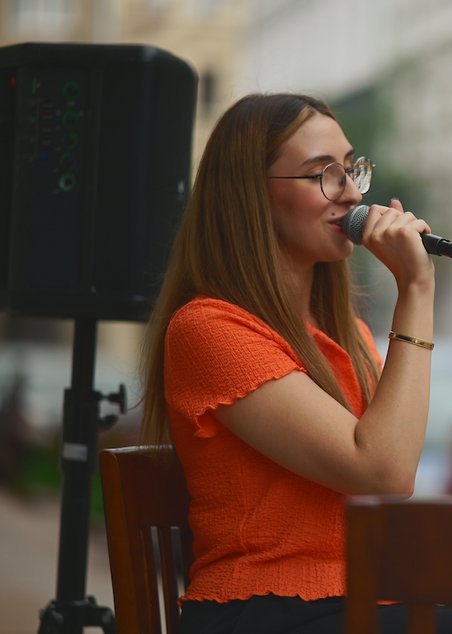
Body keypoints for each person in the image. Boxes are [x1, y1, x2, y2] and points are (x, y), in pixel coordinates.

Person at [139, 92, 436, 633]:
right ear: (251, 195)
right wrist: (415, 289)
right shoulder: (209, 330)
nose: (352, 194)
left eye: (352, 169)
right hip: (266, 611)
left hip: (362, 604)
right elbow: (384, 471)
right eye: (324, 174)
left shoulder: (349, 335)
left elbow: (396, 472)